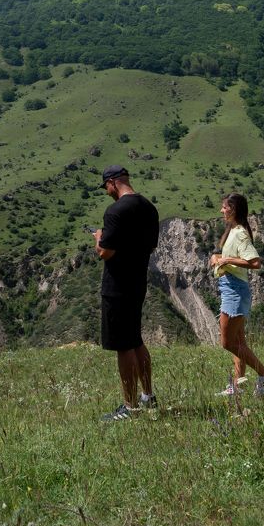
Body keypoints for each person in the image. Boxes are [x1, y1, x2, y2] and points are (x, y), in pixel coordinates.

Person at [92, 165, 160, 421]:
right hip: (138, 282)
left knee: (123, 346)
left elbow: (105, 252)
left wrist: (98, 237)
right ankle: (148, 395)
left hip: (117, 286)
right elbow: (151, 247)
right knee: (136, 339)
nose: (107, 192)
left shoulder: (115, 211)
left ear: (112, 182)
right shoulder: (148, 208)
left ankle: (129, 407)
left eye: (106, 187)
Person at [209, 193, 264, 397]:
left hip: (234, 290)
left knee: (227, 343)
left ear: (234, 209)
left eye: (224, 207)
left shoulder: (239, 233)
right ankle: (237, 387)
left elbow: (255, 262)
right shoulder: (234, 231)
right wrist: (219, 258)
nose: (221, 210)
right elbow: (237, 259)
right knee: (239, 343)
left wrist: (224, 260)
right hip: (232, 287)